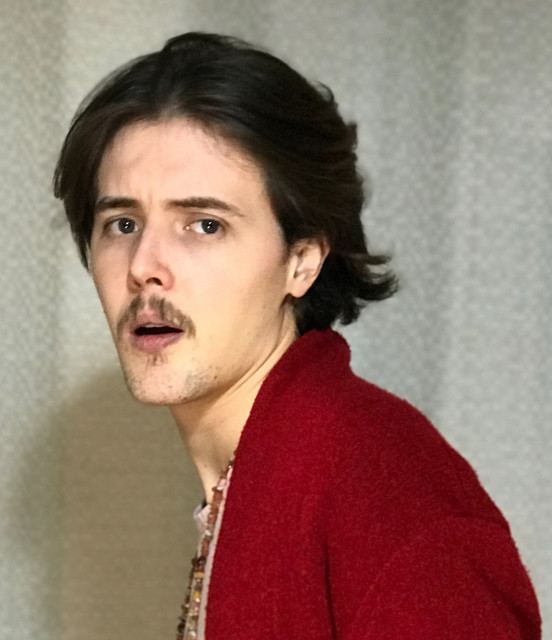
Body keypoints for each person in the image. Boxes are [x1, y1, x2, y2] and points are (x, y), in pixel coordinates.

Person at [53, 32, 540, 640]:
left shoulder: (384, 484)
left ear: (302, 261)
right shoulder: (256, 477)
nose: (144, 265)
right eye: (122, 224)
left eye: (204, 225)